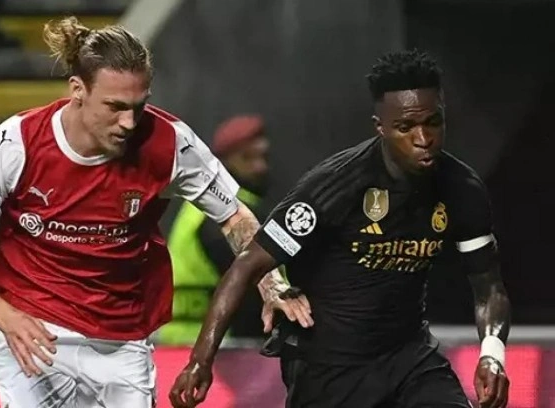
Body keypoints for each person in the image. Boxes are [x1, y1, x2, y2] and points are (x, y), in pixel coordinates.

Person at [0, 16, 311, 408]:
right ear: (78, 90)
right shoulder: (15, 144)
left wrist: (272, 284)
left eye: (138, 107)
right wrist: (6, 318)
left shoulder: (170, 143)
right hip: (35, 332)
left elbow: (235, 215)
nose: (128, 123)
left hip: (122, 338)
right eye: (114, 107)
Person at [169, 49, 511, 408]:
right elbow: (246, 266)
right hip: (328, 365)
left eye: (433, 122)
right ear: (380, 127)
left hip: (409, 357)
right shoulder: (335, 185)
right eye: (406, 127)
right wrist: (200, 361)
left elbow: (488, 287)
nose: (423, 138)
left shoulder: (462, 188)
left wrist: (492, 355)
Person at [162, 114, 272, 344]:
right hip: (212, 343)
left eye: (263, 157)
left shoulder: (200, 208)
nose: (260, 167)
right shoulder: (222, 212)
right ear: (222, 163)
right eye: (247, 157)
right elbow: (249, 287)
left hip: (192, 339)